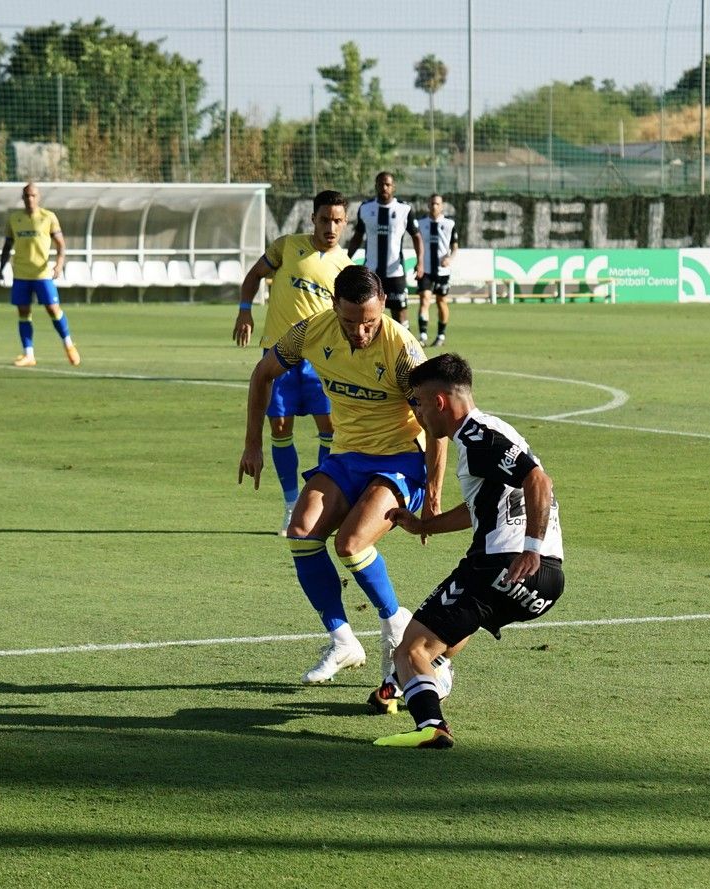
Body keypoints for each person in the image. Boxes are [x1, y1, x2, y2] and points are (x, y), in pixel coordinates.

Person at [239, 265, 446, 689]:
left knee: (350, 544)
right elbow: (262, 373)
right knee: (300, 532)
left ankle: (394, 628)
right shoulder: (311, 331)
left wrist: (434, 493)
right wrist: (253, 444)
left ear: (383, 306)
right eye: (350, 322)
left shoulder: (403, 352)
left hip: (400, 458)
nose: (360, 332)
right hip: (347, 454)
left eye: (369, 322)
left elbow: (436, 421)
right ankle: (343, 641)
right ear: (334, 307)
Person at [375, 352, 564, 749]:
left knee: (409, 649)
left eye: (421, 405)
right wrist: (425, 525)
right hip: (546, 581)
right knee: (453, 627)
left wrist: (528, 548)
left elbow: (539, 481)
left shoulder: (477, 436)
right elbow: (481, 508)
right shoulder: (491, 434)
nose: (420, 416)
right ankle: (423, 677)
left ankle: (430, 722)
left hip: (504, 565)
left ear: (440, 402)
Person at [233, 190, 351, 534]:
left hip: (322, 360)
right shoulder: (287, 246)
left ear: (345, 224)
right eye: (325, 219)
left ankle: (318, 503)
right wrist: (244, 310)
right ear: (313, 219)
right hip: (278, 353)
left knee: (329, 429)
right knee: (281, 429)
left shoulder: (346, 267)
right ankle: (289, 503)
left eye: (338, 221)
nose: (331, 226)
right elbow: (254, 275)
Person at [0, 182, 80, 368]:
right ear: (22, 198)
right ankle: (29, 355)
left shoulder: (48, 217)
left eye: (33, 196)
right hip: (21, 273)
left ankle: (68, 344)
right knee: (23, 313)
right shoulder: (14, 219)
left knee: (53, 309)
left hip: (42, 274)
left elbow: (60, 244)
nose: (30, 199)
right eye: (27, 196)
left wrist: (59, 265)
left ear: (38, 197)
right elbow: (7, 245)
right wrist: (1, 269)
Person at [346, 172, 423, 329]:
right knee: (368, 315)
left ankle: (404, 350)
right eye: (381, 184)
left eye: (387, 184)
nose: (384, 187)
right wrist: (346, 259)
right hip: (371, 273)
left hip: (395, 273)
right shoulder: (366, 208)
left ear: (393, 187)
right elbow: (357, 237)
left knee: (400, 315)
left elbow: (417, 237)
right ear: (376, 186)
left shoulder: (404, 209)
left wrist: (420, 262)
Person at [415, 193, 459, 347]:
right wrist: (418, 262)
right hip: (425, 269)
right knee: (424, 300)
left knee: (441, 302)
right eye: (432, 203)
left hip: (442, 271)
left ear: (442, 206)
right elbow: (416, 243)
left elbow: (454, 246)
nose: (434, 206)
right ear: (428, 205)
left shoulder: (449, 224)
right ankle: (422, 336)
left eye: (437, 204)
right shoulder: (420, 223)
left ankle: (440, 335)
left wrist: (450, 258)